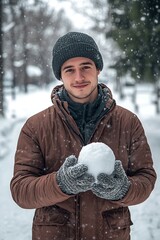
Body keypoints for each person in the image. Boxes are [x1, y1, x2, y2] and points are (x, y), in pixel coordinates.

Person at [10, 32, 157, 240]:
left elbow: (146, 178)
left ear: (98, 69)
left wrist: (124, 189)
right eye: (69, 70)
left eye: (86, 67)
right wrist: (60, 183)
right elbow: (20, 190)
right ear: (60, 75)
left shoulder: (128, 122)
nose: (79, 77)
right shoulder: (36, 126)